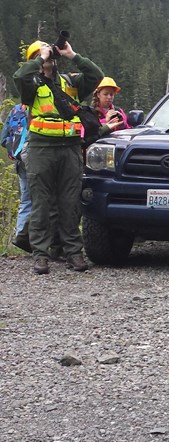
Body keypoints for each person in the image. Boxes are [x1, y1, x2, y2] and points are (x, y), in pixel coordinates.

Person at [13, 38, 104, 274]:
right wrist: (40, 58)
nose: (49, 58)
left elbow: (96, 75)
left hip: (70, 148)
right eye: (44, 55)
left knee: (70, 203)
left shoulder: (69, 82)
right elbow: (20, 77)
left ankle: (73, 252)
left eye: (50, 55)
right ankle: (40, 255)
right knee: (42, 204)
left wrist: (72, 55)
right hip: (41, 149)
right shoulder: (31, 84)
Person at [0, 105, 32, 252]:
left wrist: (15, 149)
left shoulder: (16, 110)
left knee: (26, 200)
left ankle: (21, 236)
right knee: (45, 199)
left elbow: (3, 139)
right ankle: (36, 239)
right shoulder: (42, 108)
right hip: (39, 159)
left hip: (21, 161)